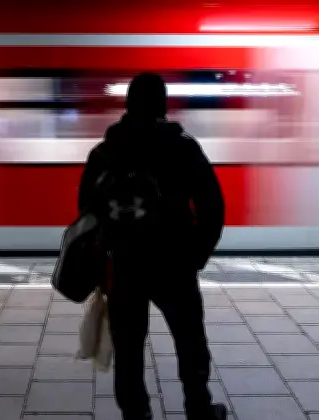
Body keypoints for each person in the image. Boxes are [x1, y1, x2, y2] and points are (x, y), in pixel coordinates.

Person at [77, 73, 227, 420]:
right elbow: (213, 207)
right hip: (174, 263)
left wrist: (107, 251)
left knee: (128, 348)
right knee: (189, 340)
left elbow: (86, 210)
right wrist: (195, 256)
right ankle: (199, 409)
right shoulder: (183, 148)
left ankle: (136, 413)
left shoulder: (105, 151)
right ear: (163, 105)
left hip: (125, 264)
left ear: (127, 104)